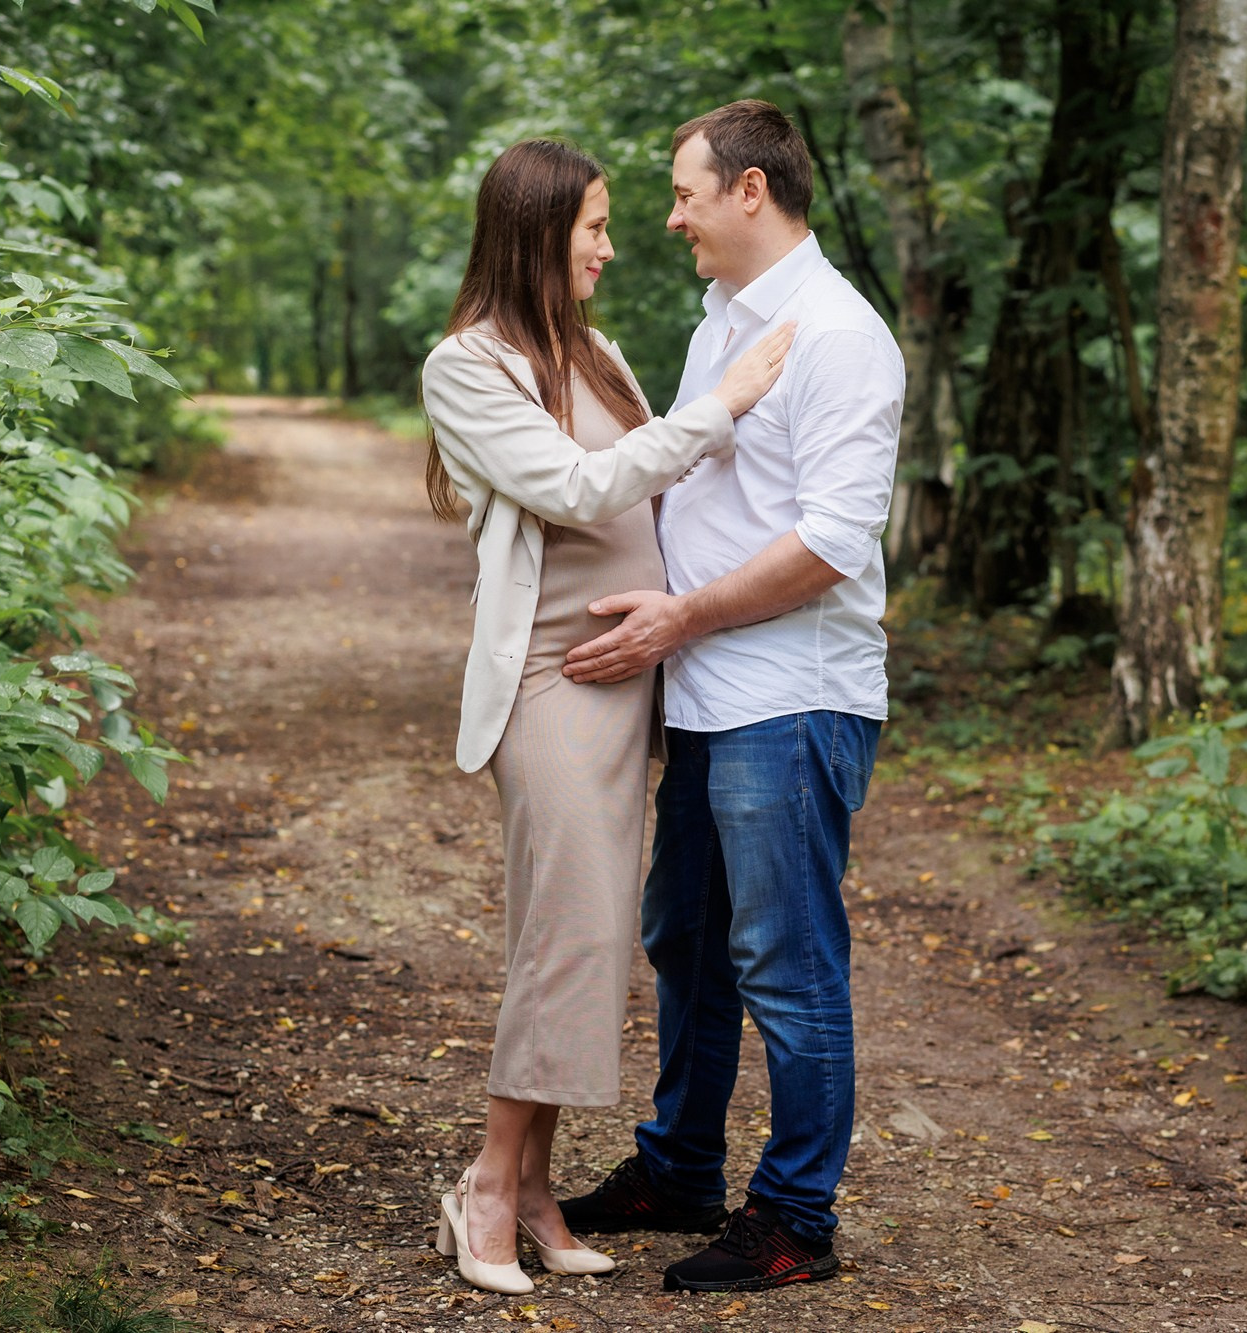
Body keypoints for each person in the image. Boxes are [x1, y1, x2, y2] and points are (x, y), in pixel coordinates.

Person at [419, 137, 797, 1297]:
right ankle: (487, 1185)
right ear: (538, 230)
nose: (610, 246)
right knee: (567, 933)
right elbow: (579, 488)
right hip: (549, 679)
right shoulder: (466, 365)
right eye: (592, 226)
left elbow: (660, 488)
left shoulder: (596, 353)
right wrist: (725, 401)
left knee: (584, 935)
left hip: (625, 682)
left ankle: (534, 1189)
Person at [554, 100, 903, 1293]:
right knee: (686, 942)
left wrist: (681, 616)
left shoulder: (839, 337)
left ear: (749, 190)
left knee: (785, 964)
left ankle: (795, 1218)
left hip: (789, 698)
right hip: (706, 693)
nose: (670, 219)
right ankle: (679, 1169)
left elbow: (832, 544)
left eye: (683, 194)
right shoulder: (724, 322)